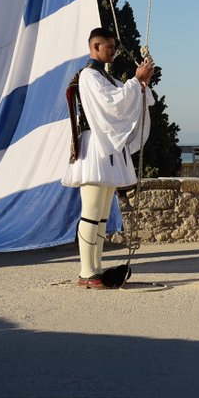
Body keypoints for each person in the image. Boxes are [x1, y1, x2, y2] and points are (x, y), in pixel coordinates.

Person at [62, 28, 155, 289]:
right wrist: (136, 82)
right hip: (94, 148)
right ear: (95, 47)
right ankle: (87, 272)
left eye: (114, 47)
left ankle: (95, 270)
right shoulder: (90, 76)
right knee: (91, 211)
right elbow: (112, 103)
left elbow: (127, 101)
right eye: (109, 47)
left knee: (101, 214)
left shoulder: (105, 77)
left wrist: (142, 83)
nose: (113, 51)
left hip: (106, 149)